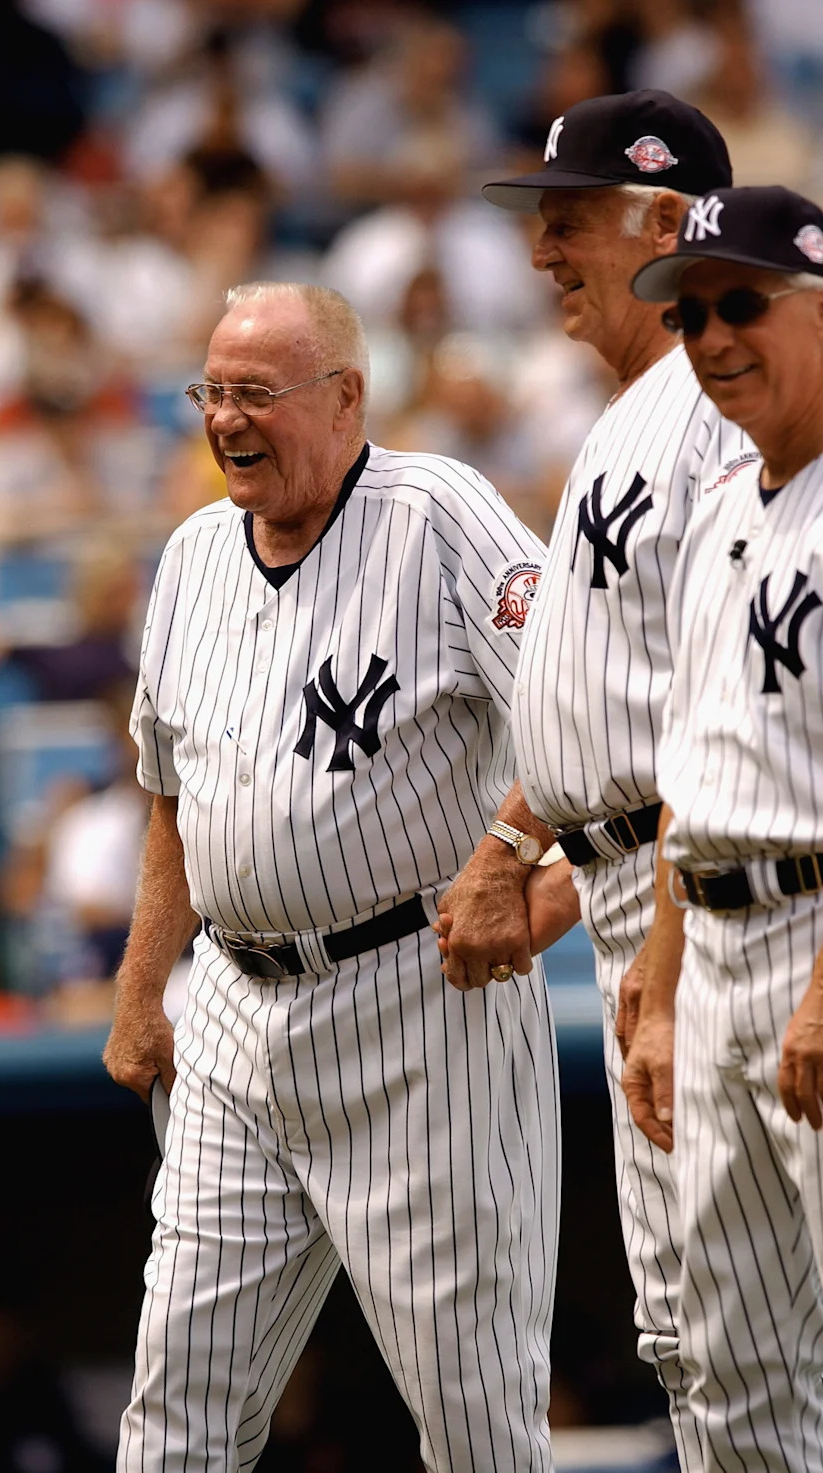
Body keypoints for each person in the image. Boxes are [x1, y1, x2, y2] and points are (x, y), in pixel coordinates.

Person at [102, 281, 563, 1473]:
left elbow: (586, 707)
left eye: (258, 393)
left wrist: (520, 871)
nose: (226, 419)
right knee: (176, 1413)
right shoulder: (197, 552)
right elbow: (172, 801)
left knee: (475, 1424)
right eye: (213, 392)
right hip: (234, 1019)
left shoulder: (438, 513)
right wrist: (141, 985)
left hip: (419, 1013)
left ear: (346, 396)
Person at [474, 90, 754, 1471]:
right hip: (628, 883)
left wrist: (654, 929)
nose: (543, 251)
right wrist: (525, 840)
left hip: (699, 895)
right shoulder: (631, 415)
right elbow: (612, 689)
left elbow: (717, 706)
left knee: (735, 1329)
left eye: (567, 221)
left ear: (661, 224)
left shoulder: (709, 409)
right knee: (693, 1330)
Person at [624, 184, 823, 1471]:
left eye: (741, 305)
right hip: (718, 950)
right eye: (691, 317)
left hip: (816, 934)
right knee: (730, 1363)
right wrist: (659, 982)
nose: (711, 339)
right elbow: (690, 774)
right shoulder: (719, 512)